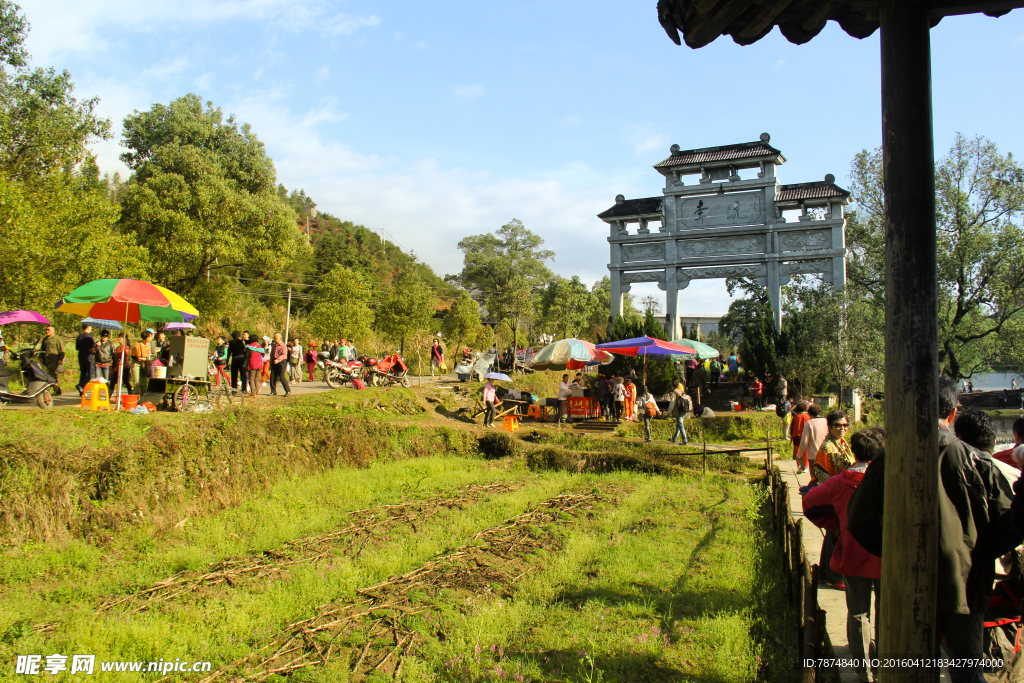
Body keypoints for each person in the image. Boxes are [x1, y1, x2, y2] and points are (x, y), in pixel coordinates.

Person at [849, 376, 1020, 683]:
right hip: (964, 587)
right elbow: (1010, 525)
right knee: (967, 672)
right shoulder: (978, 462)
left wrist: (897, 554)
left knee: (906, 670)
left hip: (905, 585)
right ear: (953, 412)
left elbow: (859, 522)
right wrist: (975, 555)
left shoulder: (888, 459)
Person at [803, 427, 886, 683]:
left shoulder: (840, 481)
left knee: (858, 612)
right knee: (885, 610)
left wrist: (834, 525)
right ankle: (884, 661)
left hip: (852, 550)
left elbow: (809, 503)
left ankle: (862, 669)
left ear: (853, 451)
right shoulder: (892, 478)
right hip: (885, 554)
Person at [812, 410, 854, 483]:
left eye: (845, 425)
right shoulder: (826, 448)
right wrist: (835, 486)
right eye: (838, 425)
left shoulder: (843, 443)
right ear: (830, 426)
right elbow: (819, 472)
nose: (842, 428)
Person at [796, 404, 827, 474]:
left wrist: (800, 454)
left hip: (814, 455)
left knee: (815, 478)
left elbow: (804, 441)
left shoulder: (809, 423)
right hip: (826, 454)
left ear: (809, 414)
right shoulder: (827, 421)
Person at [38, 325, 65, 395]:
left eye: (48, 330)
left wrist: (60, 359)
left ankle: (57, 390)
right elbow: (42, 349)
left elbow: (61, 350)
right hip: (46, 360)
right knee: (45, 375)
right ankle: (50, 390)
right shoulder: (45, 339)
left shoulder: (57, 339)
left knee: (52, 375)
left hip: (53, 360)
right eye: (46, 330)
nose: (47, 331)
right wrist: (40, 357)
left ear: (53, 331)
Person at [790, 402, 811, 474]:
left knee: (798, 453)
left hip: (796, 437)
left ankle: (799, 466)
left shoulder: (795, 417)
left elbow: (792, 428)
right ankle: (805, 467)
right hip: (806, 437)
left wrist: (791, 436)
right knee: (806, 453)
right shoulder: (808, 417)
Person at [668, 380, 692, 445]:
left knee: (680, 425)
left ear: (672, 386)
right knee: (679, 425)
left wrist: (669, 412)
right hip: (685, 410)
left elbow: (672, 404)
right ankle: (675, 438)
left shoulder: (674, 393)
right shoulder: (681, 391)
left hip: (679, 411)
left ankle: (685, 440)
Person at [75, 323, 96, 394]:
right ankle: (80, 385)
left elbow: (77, 348)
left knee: (83, 373)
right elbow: (93, 347)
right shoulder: (90, 336)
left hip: (81, 356)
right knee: (92, 373)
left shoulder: (79, 336)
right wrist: (96, 345)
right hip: (88, 356)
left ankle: (82, 391)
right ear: (88, 327)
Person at [132, 330, 153, 396]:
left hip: (144, 365)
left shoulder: (149, 344)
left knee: (143, 383)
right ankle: (136, 399)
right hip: (136, 364)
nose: (151, 338)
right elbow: (133, 356)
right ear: (146, 337)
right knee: (137, 383)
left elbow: (148, 353)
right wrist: (143, 359)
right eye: (150, 336)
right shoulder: (137, 344)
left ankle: (142, 399)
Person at [269, 333, 291, 397]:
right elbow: (272, 354)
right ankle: (273, 391)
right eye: (274, 338)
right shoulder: (273, 345)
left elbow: (284, 355)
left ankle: (287, 390)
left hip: (282, 361)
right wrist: (271, 363)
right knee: (272, 377)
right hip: (274, 361)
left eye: (276, 338)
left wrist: (278, 360)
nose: (275, 340)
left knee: (282, 377)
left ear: (280, 338)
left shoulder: (283, 346)